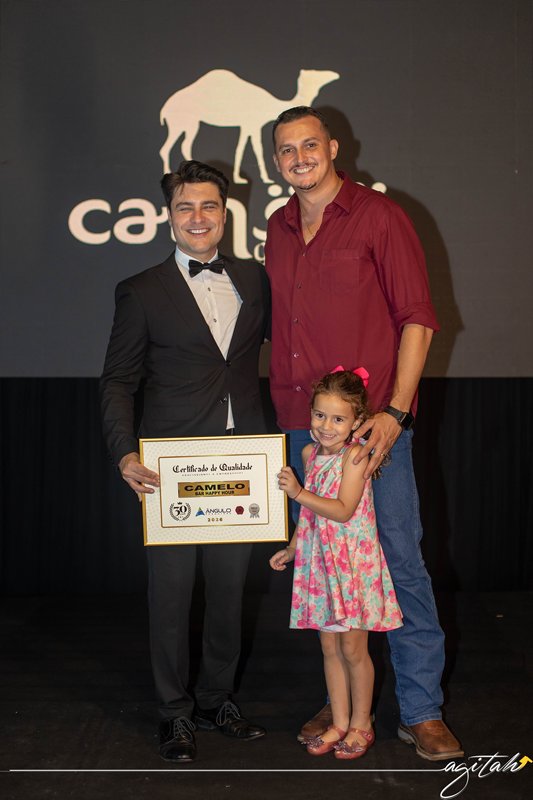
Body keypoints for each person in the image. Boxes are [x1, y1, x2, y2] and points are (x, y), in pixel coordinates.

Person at [265, 106, 463, 761]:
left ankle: (421, 709)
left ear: (332, 148)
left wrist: (395, 413)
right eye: (286, 149)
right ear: (275, 160)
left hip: (372, 429)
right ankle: (344, 699)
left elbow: (418, 319)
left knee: (398, 559)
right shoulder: (278, 227)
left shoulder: (379, 216)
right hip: (301, 424)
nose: (298, 157)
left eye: (308, 145)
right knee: (325, 563)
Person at [100, 160, 270, 763]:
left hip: (243, 463)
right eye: (185, 207)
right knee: (171, 597)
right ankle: (174, 713)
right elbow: (118, 381)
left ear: (225, 213)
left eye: (209, 206)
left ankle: (218, 699)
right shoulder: (141, 290)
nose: (198, 217)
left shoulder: (254, 278)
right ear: (168, 216)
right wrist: (124, 451)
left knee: (229, 592)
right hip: (170, 467)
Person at [270, 369, 402, 760]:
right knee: (329, 646)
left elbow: (343, 510)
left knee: (353, 648)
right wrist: (293, 547)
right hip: (319, 566)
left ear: (357, 422)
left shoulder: (356, 457)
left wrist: (298, 492)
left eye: (338, 418)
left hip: (350, 566)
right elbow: (311, 515)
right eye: (320, 415)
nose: (326, 426)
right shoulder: (309, 455)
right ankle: (339, 721)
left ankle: (362, 724)